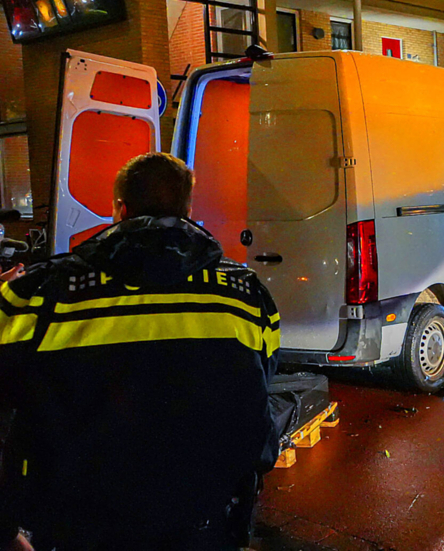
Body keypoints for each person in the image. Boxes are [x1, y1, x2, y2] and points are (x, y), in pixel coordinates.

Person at [0, 153, 280, 550]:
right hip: (205, 520)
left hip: (79, 527)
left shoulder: (46, 295)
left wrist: (6, 526)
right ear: (186, 210)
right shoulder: (247, 295)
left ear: (120, 209)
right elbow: (258, 393)